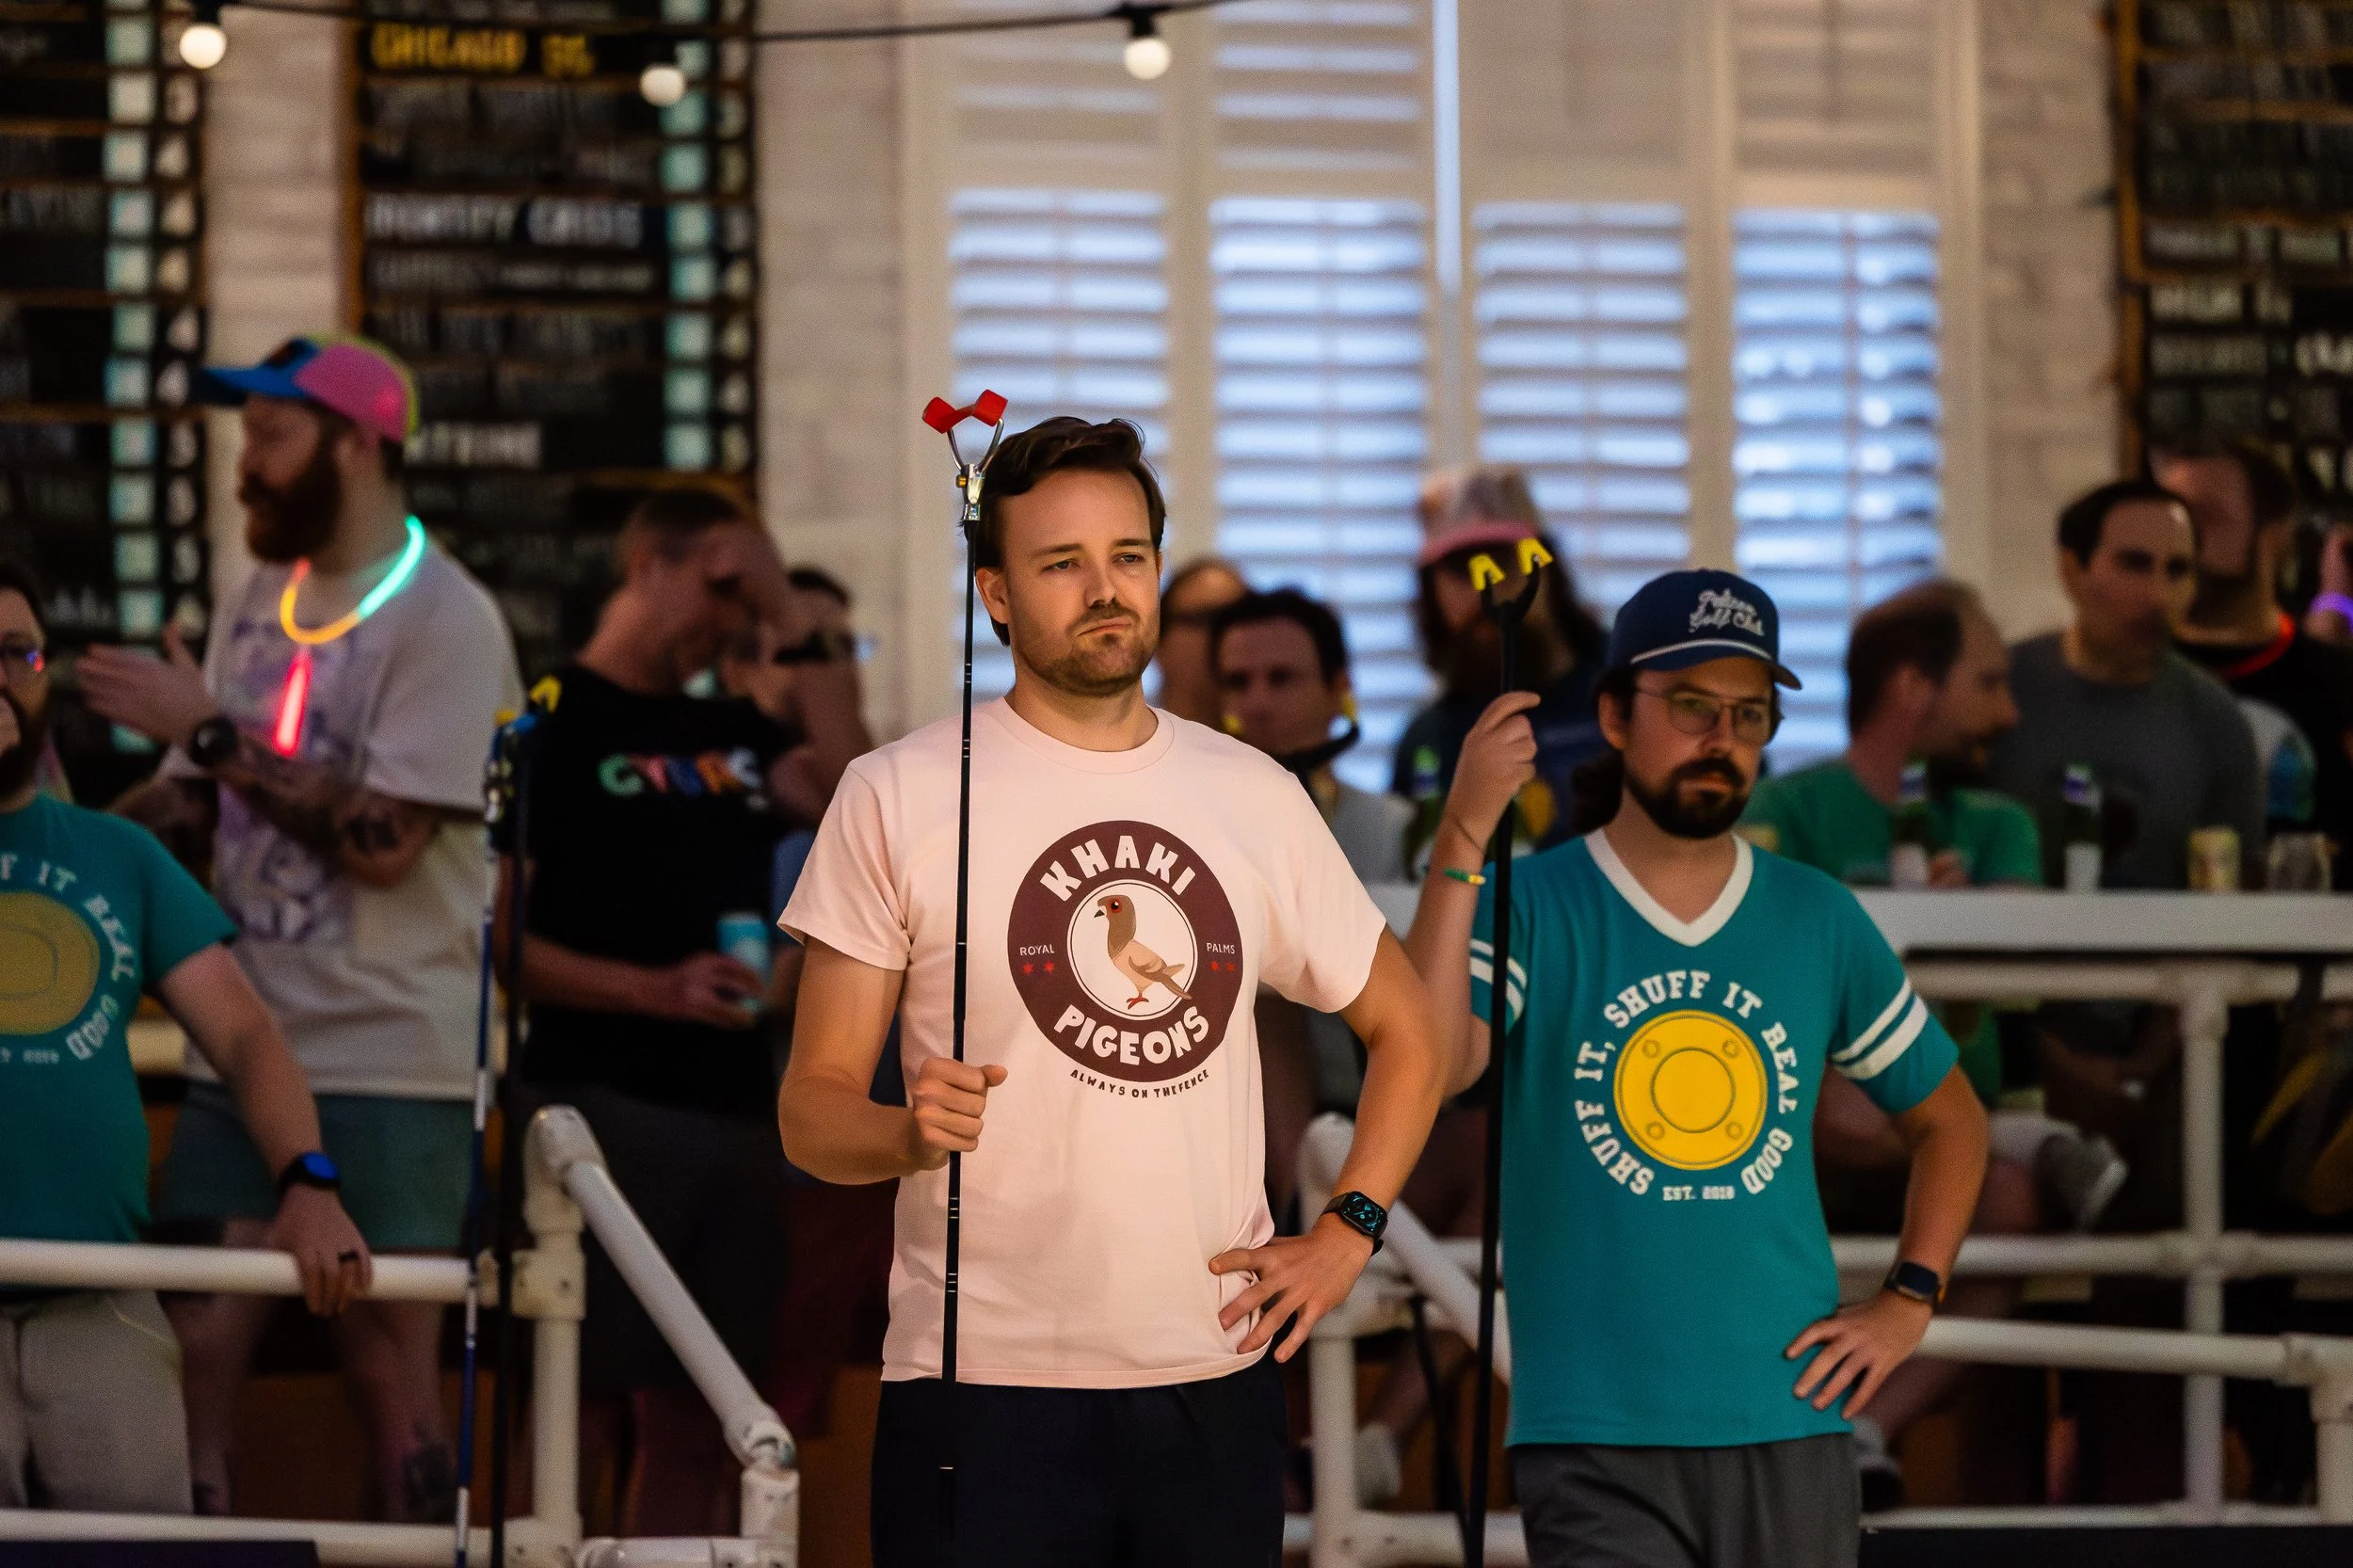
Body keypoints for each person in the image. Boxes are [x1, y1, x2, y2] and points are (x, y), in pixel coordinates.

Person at [775, 416, 1450, 1566]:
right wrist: (899, 1131)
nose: (1105, 589)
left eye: (1128, 556)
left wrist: (1349, 1231)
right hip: (976, 1383)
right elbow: (811, 1110)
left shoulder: (1251, 792)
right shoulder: (895, 793)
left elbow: (1411, 1031)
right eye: (1061, 563)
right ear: (994, 594)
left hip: (1211, 1380)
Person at [1405, 568, 1989, 1568]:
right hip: (1591, 1426)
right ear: (1615, 717)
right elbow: (1442, 1062)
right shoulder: (1536, 901)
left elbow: (1952, 1120)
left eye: (1748, 713)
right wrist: (1462, 833)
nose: (1721, 737)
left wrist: (1909, 1298)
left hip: (1791, 1412)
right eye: (1689, 705)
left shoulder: (1815, 915)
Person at [80, 334, 521, 1521]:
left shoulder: (448, 617)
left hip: (395, 1059)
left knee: (388, 1375)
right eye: (246, 436)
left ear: (359, 443)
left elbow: (383, 843)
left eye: (273, 435)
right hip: (246, 1054)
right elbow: (186, 800)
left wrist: (214, 731)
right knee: (193, 1352)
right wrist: (53, 840)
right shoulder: (254, 600)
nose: (249, 463)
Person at [1740, 579, 2121, 1508]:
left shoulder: (1997, 822)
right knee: (1831, 1103)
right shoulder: (1786, 810)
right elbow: (1743, 943)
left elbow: (2027, 933)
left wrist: (1957, 917)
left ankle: (1866, 1420)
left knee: (2012, 1195)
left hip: (1940, 1127)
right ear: (1913, 687)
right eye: (1987, 682)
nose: (2011, 709)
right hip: (1803, 1134)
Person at [0, 562, 368, 1514]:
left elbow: (245, 1035)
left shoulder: (121, 855)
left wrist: (309, 1182)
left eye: (17, 653)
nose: (0, 676)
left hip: (108, 1298)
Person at [500, 486, 820, 1534]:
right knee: (573, 1406)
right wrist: (657, 989)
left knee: (703, 1417)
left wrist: (788, 603)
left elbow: (853, 785)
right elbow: (500, 945)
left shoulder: (733, 727)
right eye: (720, 592)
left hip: (735, 1117)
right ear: (649, 564)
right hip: (593, 1108)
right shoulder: (548, 714)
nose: (731, 623)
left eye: (745, 604)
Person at [1989, 479, 2263, 891]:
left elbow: (2240, 900)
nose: (2158, 596)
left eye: (2178, 570)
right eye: (2134, 564)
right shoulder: (1998, 691)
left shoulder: (2213, 719)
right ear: (2072, 571)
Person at [2157, 440, 2353, 888]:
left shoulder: (2336, 683)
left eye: (2204, 516)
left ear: (2275, 535)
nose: (2179, 538)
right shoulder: (2130, 672)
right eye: (2169, 516)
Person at [1392, 466, 1609, 853]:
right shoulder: (1425, 743)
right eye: (1463, 569)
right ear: (1431, 591)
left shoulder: (1635, 693)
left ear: (1547, 568)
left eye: (1501, 560)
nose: (1486, 586)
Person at [1151, 555, 1248, 727]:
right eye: (1207, 619)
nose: (1226, 634)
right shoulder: (1122, 741)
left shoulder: (1275, 738)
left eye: (1239, 618)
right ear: (1158, 641)